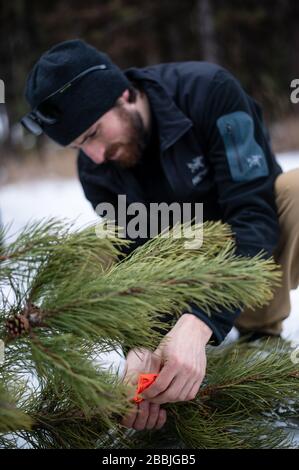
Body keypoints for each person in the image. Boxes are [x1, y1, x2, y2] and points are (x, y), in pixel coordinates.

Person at [21, 39, 299, 432]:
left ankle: (261, 330)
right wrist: (142, 346)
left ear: (123, 95)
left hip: (254, 253)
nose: (96, 155)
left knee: (295, 190)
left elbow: (254, 214)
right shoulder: (97, 170)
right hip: (180, 267)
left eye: (95, 133)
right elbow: (138, 256)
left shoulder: (209, 91)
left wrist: (200, 321)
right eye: (81, 145)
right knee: (94, 247)